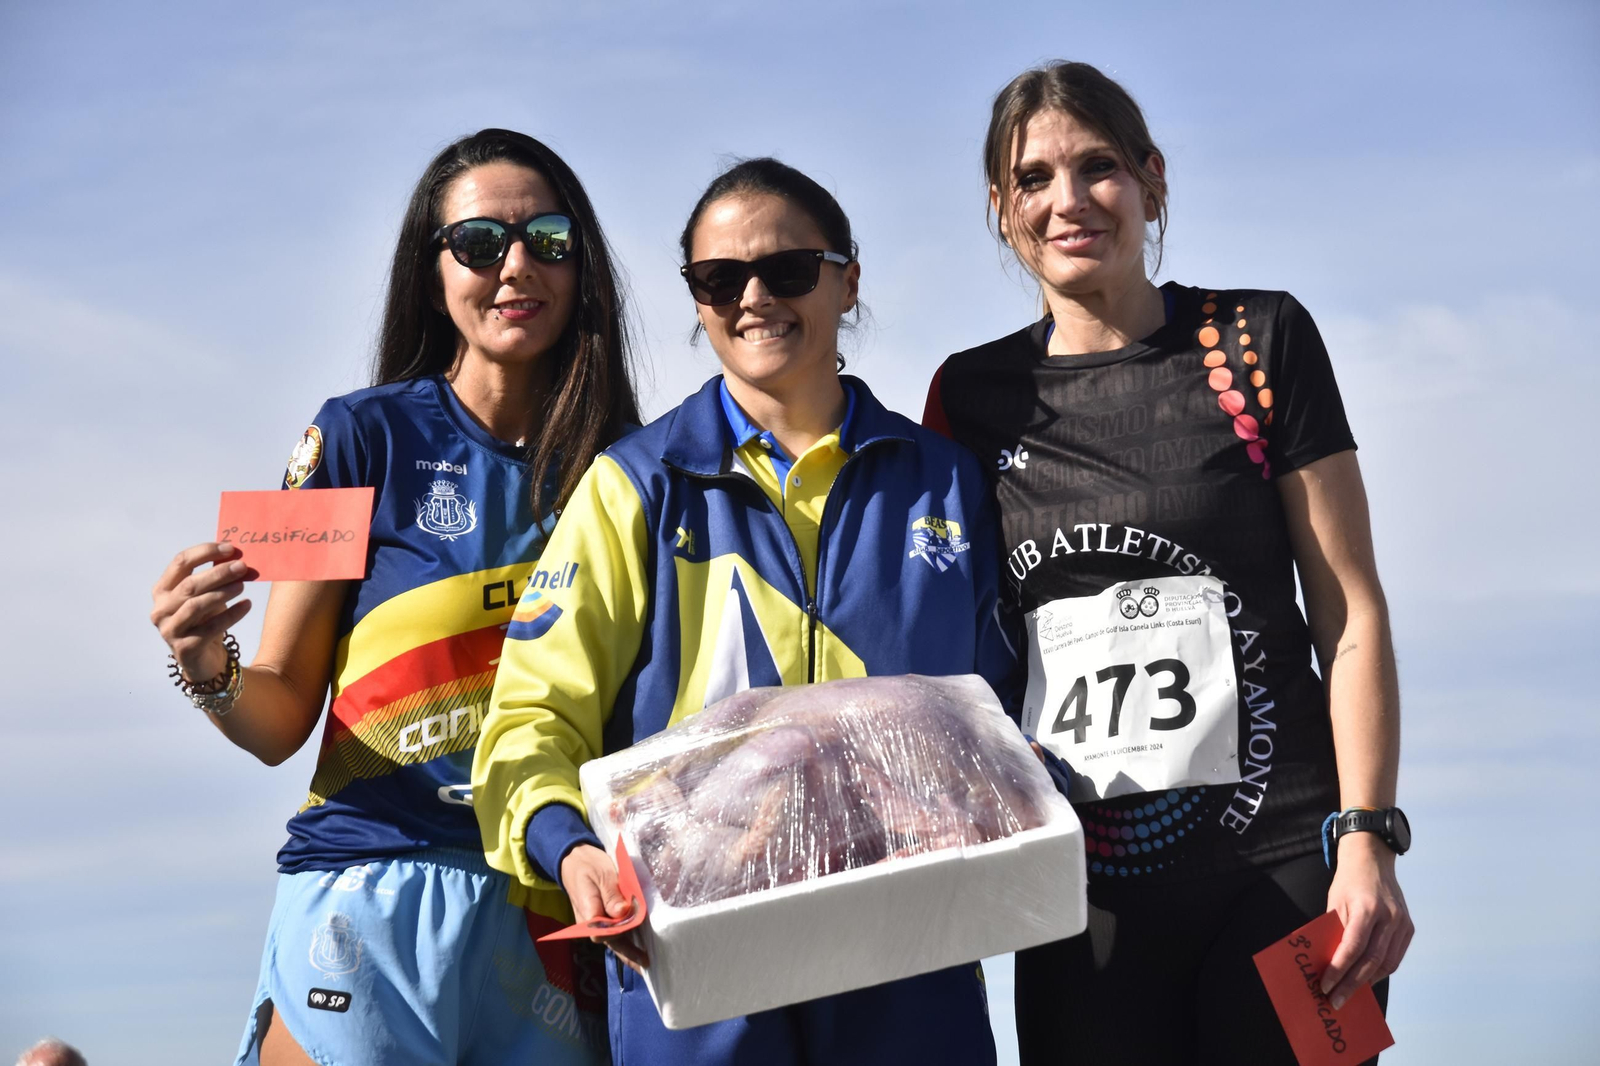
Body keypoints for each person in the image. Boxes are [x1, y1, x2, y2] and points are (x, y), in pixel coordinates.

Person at [923, 61, 1415, 1064]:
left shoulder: (1258, 338)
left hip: (1285, 869)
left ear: (1149, 179)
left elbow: (1351, 614)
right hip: (1082, 902)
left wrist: (1366, 837)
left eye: (1098, 167)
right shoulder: (968, 396)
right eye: (1033, 179)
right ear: (999, 208)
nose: (1068, 201)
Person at [473, 158, 1010, 1065]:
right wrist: (571, 852)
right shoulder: (629, 487)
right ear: (695, 301)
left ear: (847, 280)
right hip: (697, 966)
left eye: (788, 270)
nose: (754, 297)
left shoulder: (947, 480)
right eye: (719, 280)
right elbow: (528, 721)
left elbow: (1000, 713)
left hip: (912, 960)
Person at [149, 128, 639, 1066]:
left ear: (585, 267)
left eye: (548, 239)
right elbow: (279, 713)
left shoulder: (633, 469)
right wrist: (203, 662)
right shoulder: (355, 437)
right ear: (432, 269)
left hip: (552, 908)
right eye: (480, 244)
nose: (515, 267)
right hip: (367, 889)